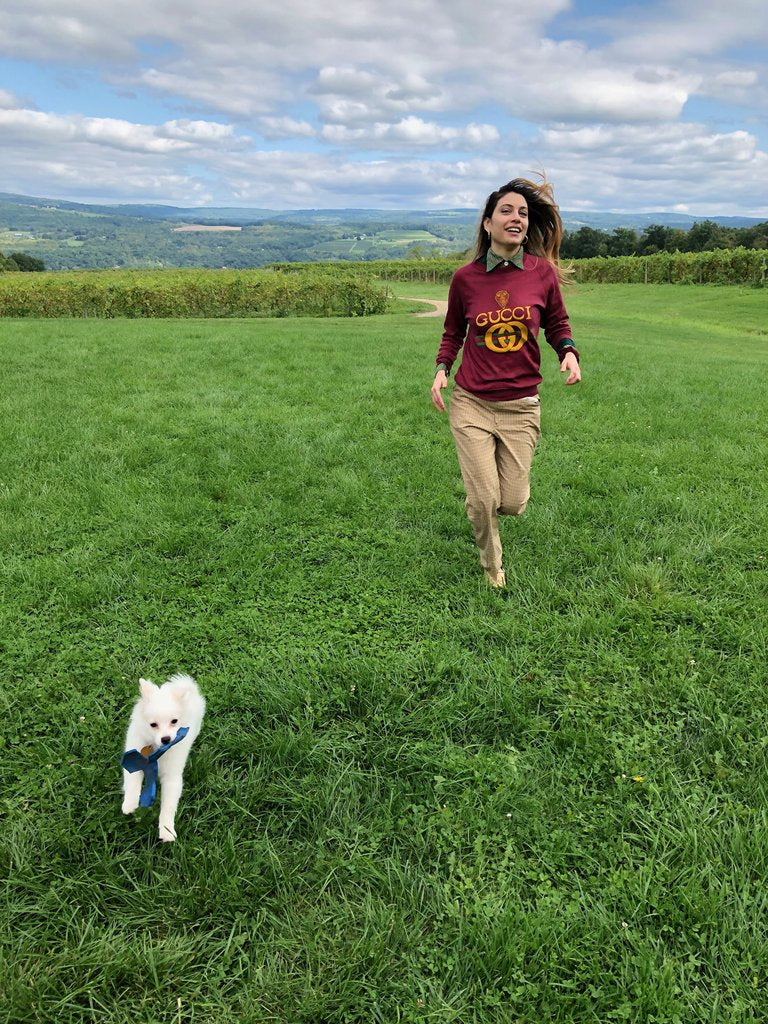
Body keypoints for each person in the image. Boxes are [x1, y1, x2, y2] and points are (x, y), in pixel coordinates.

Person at [430, 177, 581, 588]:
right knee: (484, 500)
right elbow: (452, 332)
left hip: (520, 405)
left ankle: (485, 501)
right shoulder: (465, 279)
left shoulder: (542, 273)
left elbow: (557, 323)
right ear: (487, 224)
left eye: (523, 213)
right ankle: (492, 568)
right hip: (472, 401)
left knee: (511, 502)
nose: (516, 218)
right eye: (507, 211)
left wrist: (567, 351)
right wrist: (443, 368)